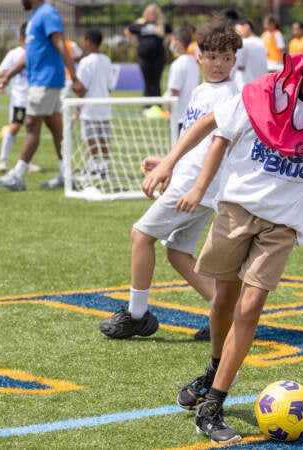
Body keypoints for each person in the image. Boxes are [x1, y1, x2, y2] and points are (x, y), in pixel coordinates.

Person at [142, 24, 303, 443]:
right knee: (223, 300)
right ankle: (213, 368)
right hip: (237, 207)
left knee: (251, 304)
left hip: (283, 222)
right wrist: (176, 167)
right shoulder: (263, 92)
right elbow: (217, 130)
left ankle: (213, 404)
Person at [99, 16, 242, 341]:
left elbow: (218, 147)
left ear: (235, 59)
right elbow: (192, 139)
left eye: (226, 57)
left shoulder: (229, 95)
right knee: (177, 253)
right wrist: (166, 162)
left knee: (140, 236)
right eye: (212, 56)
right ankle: (226, 314)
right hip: (194, 185)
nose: (218, 63)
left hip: (195, 186)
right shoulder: (203, 90)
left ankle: (137, 315)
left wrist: (192, 184)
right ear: (199, 56)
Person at [0, 0, 83, 192]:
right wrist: (8, 76)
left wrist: (74, 77)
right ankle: (65, 174)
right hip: (43, 81)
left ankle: (18, 175)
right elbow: (30, 55)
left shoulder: (47, 13)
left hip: (46, 81)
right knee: (55, 127)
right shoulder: (36, 16)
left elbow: (61, 44)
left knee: (31, 125)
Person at [0, 21, 40, 173]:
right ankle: (3, 159)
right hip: (19, 98)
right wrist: (4, 79)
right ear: (22, 38)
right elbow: (2, 70)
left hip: (35, 97)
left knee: (33, 129)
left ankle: (28, 161)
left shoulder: (37, 52)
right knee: (15, 126)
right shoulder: (14, 54)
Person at [75, 29, 113, 180]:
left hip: (90, 107)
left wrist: (77, 103)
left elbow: (81, 88)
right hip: (105, 105)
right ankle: (104, 167)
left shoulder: (86, 61)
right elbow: (110, 86)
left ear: (89, 41)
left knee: (91, 138)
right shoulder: (106, 60)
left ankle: (92, 167)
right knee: (104, 137)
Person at [124, 3, 172, 99]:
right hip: (144, 57)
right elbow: (128, 30)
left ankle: (158, 104)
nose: (151, 14)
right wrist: (136, 41)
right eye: (149, 12)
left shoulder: (161, 24)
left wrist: (165, 42)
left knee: (156, 81)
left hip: (158, 57)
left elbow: (170, 33)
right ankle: (147, 106)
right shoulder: (140, 24)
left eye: (153, 13)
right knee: (148, 81)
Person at [167, 27, 200, 138]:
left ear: (177, 42)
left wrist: (169, 111)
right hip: (191, 115)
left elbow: (174, 92)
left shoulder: (178, 64)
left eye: (172, 41)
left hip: (179, 116)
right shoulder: (194, 62)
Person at [232, 18, 267, 90]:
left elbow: (238, 65)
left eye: (237, 30)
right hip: (260, 85)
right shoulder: (262, 42)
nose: (236, 33)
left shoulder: (244, 43)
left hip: (245, 86)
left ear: (246, 27)